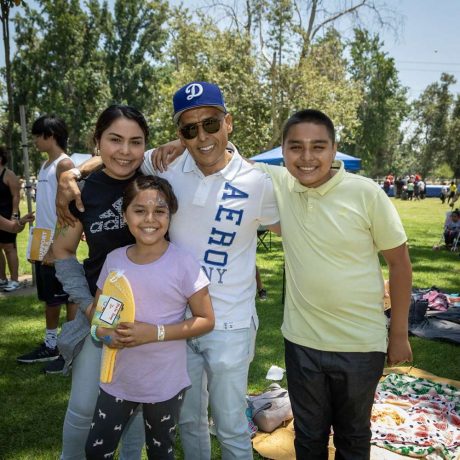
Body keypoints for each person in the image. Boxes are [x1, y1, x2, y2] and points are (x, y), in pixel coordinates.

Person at [57, 82, 280, 460]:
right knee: (169, 420)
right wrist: (71, 171)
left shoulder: (251, 180)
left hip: (209, 322)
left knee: (222, 425)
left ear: (229, 123)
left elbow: (292, 227)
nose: (201, 136)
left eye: (210, 124)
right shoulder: (137, 175)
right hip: (143, 319)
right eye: (189, 129)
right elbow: (117, 162)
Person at [254, 109, 412, 458]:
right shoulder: (279, 184)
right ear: (282, 150)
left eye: (318, 147)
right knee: (308, 437)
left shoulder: (367, 194)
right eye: (296, 147)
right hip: (302, 342)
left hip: (361, 345)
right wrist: (178, 141)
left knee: (353, 436)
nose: (307, 157)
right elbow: (220, 155)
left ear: (334, 149)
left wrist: (398, 334)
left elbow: (400, 264)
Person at [85, 175, 214, 459]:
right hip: (117, 380)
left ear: (170, 214)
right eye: (139, 210)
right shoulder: (114, 260)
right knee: (96, 450)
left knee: (161, 452)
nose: (150, 219)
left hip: (164, 385)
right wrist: (106, 335)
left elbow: (206, 319)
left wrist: (153, 333)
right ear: (125, 214)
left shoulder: (183, 263)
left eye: (160, 211)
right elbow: (99, 319)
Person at [52, 105, 149, 460]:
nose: (125, 151)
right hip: (100, 314)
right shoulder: (82, 193)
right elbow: (61, 250)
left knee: (137, 411)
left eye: (135, 142)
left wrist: (73, 168)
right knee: (82, 406)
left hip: (152, 318)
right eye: (115, 140)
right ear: (97, 142)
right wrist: (88, 304)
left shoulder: (155, 180)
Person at [16, 115, 78, 374]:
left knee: (65, 296)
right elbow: (49, 204)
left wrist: (56, 243)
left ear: (49, 136)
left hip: (56, 241)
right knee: (49, 296)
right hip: (40, 238)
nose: (34, 140)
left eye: (36, 135)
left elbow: (70, 207)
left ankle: (69, 346)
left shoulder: (64, 164)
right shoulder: (45, 165)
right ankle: (53, 343)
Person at [0, 146, 21, 291]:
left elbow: (16, 195)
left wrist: (14, 215)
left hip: (8, 214)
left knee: (9, 247)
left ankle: (14, 280)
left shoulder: (8, 174)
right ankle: (2, 278)